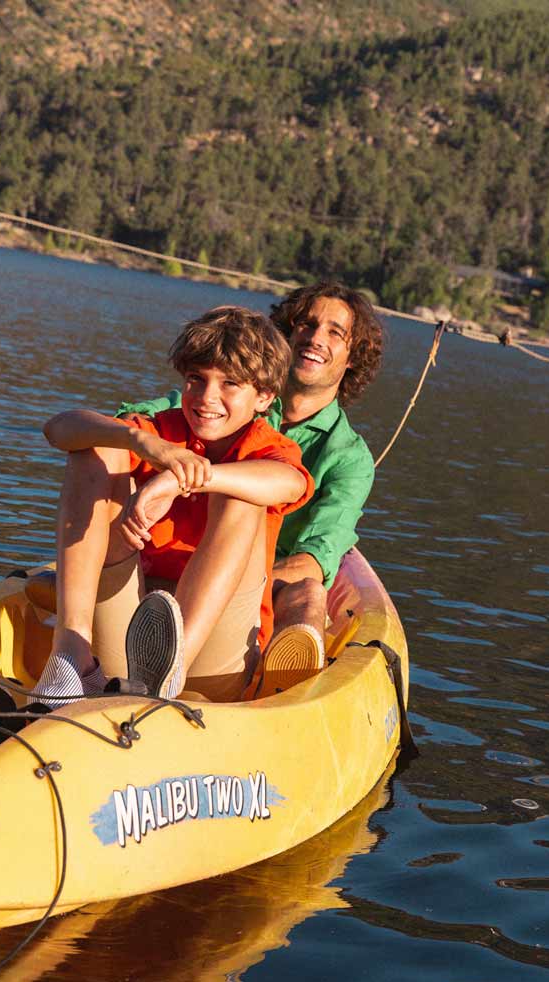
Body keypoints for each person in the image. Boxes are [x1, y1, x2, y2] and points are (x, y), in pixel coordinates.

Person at [36, 306, 313, 704]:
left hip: (216, 655)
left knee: (241, 496)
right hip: (128, 631)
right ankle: (71, 655)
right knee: (95, 447)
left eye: (230, 384)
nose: (206, 398)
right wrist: (140, 442)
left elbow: (287, 483)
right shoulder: (164, 431)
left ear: (265, 397)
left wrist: (179, 479)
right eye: (196, 380)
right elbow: (58, 428)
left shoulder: (270, 448)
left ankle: (170, 669)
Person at [119, 281, 383, 692]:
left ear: (353, 357)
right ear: (287, 334)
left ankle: (279, 688)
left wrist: (228, 573)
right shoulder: (216, 394)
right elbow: (128, 420)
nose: (315, 338)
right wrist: (142, 443)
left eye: (335, 332)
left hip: (265, 584)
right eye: (307, 324)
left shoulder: (349, 457)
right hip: (178, 557)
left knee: (309, 594)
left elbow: (318, 558)